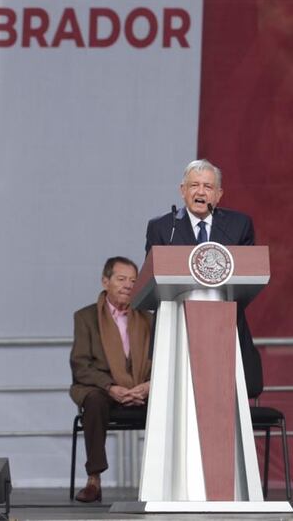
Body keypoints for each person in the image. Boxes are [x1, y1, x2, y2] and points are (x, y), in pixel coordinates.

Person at [144, 158, 262, 397]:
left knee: (223, 396)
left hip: (225, 326)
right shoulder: (164, 228)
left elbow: (249, 273)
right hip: (177, 325)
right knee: (178, 395)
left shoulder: (238, 225)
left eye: (208, 187)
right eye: (194, 185)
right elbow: (151, 277)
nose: (200, 192)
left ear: (218, 195)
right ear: (182, 191)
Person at [70, 256, 152, 503]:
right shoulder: (85, 317)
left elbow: (164, 358)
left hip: (142, 388)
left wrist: (149, 386)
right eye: (121, 279)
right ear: (105, 281)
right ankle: (94, 478)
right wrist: (111, 387)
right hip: (104, 390)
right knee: (93, 400)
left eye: (133, 280)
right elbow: (80, 366)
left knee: (172, 399)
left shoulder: (149, 318)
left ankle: (166, 479)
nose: (128, 285)